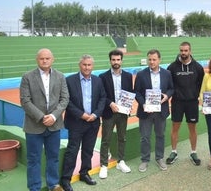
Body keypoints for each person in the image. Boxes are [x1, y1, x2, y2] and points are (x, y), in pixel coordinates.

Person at [20, 48, 69, 191]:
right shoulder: (27, 77)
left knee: (53, 157)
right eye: (42, 58)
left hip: (54, 125)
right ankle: (34, 187)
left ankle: (53, 185)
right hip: (34, 126)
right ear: (37, 60)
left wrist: (54, 116)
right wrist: (42, 117)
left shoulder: (60, 76)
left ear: (52, 59)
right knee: (33, 159)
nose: (45, 60)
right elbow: (25, 101)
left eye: (47, 58)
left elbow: (65, 98)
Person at [60, 55, 106, 191]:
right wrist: (82, 115)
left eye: (89, 65)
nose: (87, 67)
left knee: (88, 150)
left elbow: (102, 98)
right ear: (80, 65)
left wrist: (95, 114)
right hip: (76, 122)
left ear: (93, 66)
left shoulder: (98, 81)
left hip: (93, 122)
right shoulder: (69, 80)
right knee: (72, 151)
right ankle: (66, 179)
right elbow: (67, 101)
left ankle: (84, 173)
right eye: (84, 65)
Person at [134, 49, 174, 172]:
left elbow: (171, 89)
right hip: (146, 111)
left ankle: (159, 158)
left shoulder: (167, 73)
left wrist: (167, 96)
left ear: (159, 60)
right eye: (149, 59)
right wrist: (144, 104)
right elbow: (136, 92)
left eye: (154, 59)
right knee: (145, 137)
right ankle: (145, 160)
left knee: (160, 135)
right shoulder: (141, 74)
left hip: (161, 111)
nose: (151, 62)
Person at [166, 41, 204, 166]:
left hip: (192, 102)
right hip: (177, 102)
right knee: (175, 127)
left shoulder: (198, 67)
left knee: (192, 128)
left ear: (190, 51)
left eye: (186, 50)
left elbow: (201, 84)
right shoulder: (172, 67)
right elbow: (169, 85)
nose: (183, 53)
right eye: (181, 50)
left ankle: (193, 152)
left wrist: (195, 95)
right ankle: (174, 152)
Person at [98, 49, 134, 178]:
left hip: (123, 114)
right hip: (109, 112)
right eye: (113, 60)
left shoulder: (128, 76)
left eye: (118, 60)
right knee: (106, 140)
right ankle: (103, 165)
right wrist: (110, 103)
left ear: (121, 60)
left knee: (122, 138)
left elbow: (129, 93)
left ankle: (121, 161)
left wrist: (129, 106)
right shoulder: (103, 77)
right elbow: (101, 95)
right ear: (110, 61)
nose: (116, 62)